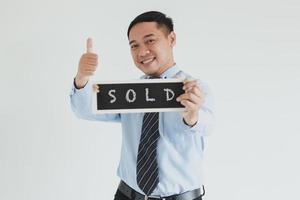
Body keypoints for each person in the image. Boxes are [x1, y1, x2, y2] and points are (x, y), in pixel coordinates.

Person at [70, 11, 214, 200]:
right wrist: (82, 78)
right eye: (134, 45)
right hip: (127, 195)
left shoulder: (195, 88)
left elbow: (208, 126)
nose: (142, 51)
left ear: (171, 39)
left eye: (150, 41)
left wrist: (193, 116)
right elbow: (84, 110)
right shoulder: (128, 93)